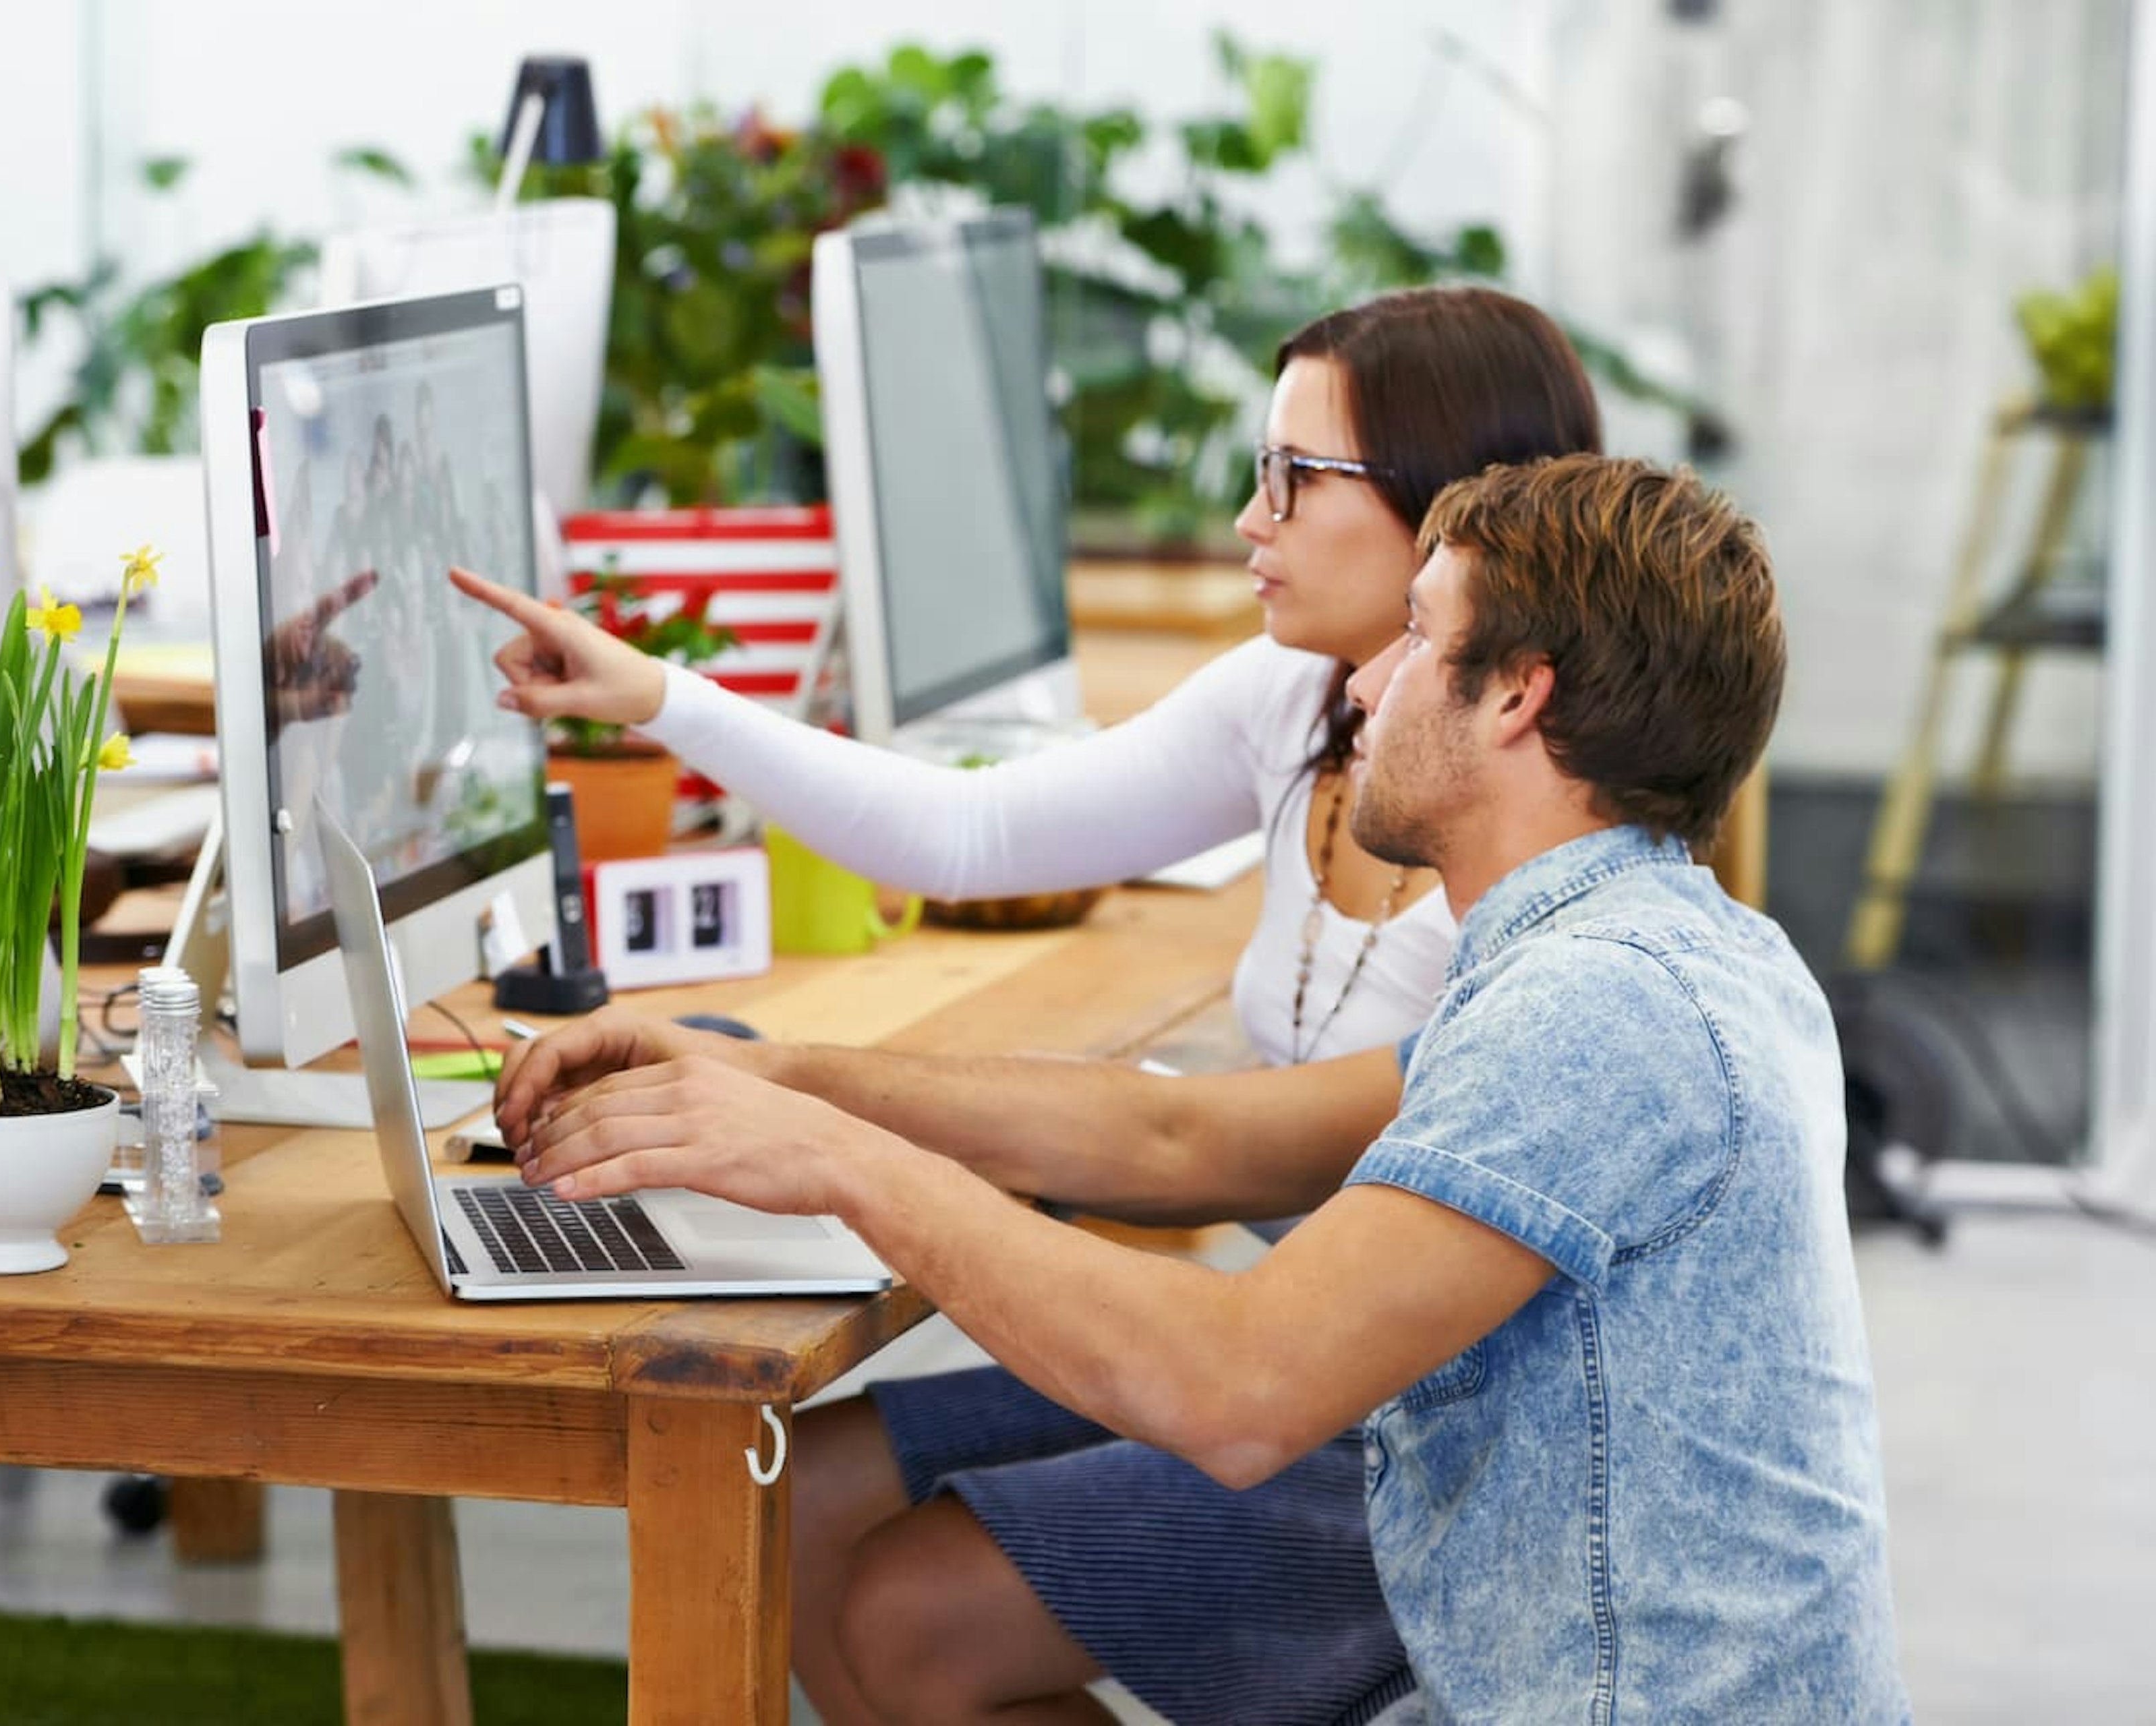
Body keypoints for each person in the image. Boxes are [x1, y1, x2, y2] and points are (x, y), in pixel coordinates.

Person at [494, 454, 1909, 1721]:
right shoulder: (1663, 951)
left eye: (1417, 637)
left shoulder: (1597, 1007)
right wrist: (782, 1074)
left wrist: (830, 1155)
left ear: (1519, 695)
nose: (1362, 684)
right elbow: (1191, 1133)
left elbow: (1237, 1386)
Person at [450, 285, 1602, 1723]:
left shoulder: (1546, 867)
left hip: (1419, 1411)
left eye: (1296, 479)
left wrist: (808, 1109)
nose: (1251, 518)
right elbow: (969, 837)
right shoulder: (1295, 700)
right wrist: (661, 699)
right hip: (1274, 1341)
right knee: (792, 1497)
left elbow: (1193, 1149)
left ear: (1452, 516)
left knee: (912, 1618)